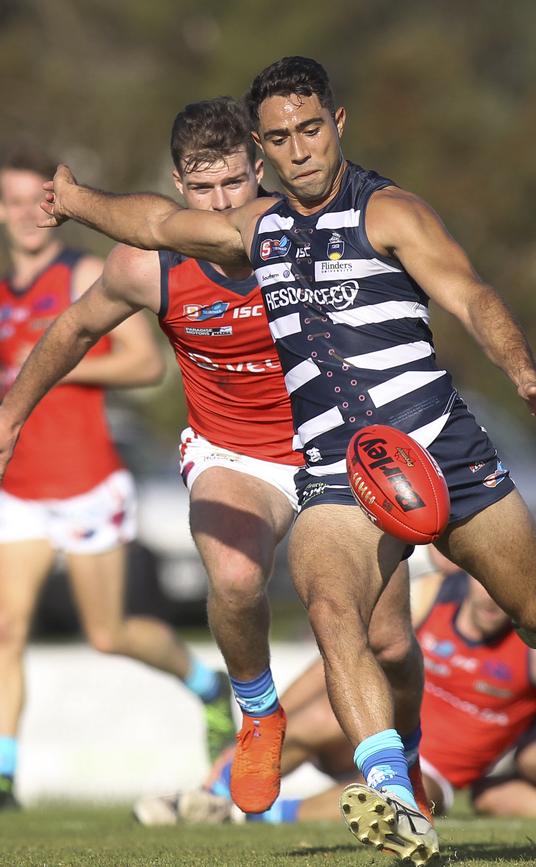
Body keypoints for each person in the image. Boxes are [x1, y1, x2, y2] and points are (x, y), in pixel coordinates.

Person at [38, 56, 536, 863]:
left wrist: (525, 373)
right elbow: (155, 224)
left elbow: (470, 294)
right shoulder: (257, 229)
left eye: (311, 130)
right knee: (331, 607)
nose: (299, 150)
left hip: (441, 448)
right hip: (338, 472)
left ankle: (416, 749)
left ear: (339, 124)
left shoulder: (390, 213)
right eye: (281, 138)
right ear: (264, 146)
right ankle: (394, 792)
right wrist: (79, 202)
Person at [0, 102, 313, 814]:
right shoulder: (141, 265)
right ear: (177, 187)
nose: (222, 204)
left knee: (378, 632)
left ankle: (403, 770)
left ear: (258, 172)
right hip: (213, 453)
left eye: (234, 184)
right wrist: (12, 414)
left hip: (309, 447)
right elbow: (76, 327)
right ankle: (253, 713)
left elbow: (139, 365)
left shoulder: (300, 234)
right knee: (230, 579)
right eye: (201, 190)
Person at [154, 553, 536, 826]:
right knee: (320, 717)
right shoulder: (434, 593)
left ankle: (259, 818)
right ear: (473, 573)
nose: (495, 597)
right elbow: (340, 658)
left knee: (421, 797)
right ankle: (208, 795)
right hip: (393, 728)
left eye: (511, 594)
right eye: (490, 582)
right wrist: (270, 714)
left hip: (438, 772)